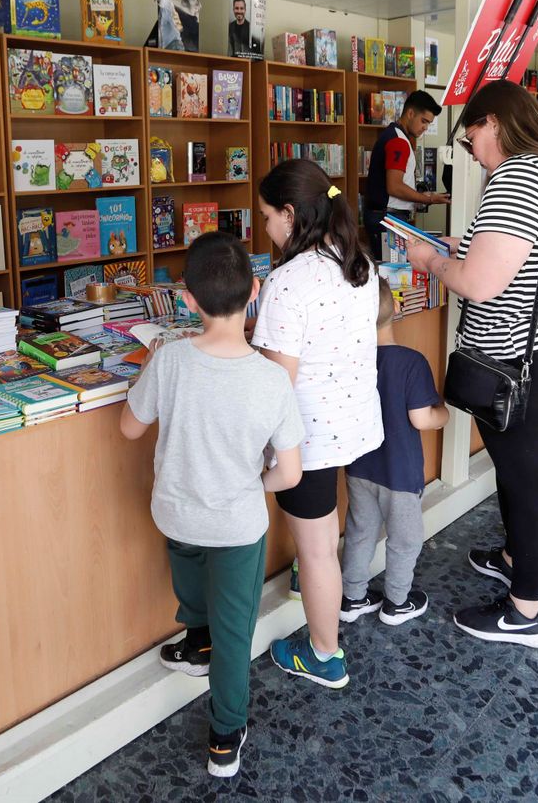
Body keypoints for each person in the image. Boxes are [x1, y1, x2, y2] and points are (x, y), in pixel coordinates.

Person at [407, 80, 538, 647]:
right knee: (525, 470)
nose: (470, 147)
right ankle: (512, 555)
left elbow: (480, 283)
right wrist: (470, 242)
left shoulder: (518, 173)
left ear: (494, 122)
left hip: (530, 361)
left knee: (528, 483)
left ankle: (526, 612)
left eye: (469, 132)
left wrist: (429, 258)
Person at [120, 231, 304, 778]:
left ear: (187, 299)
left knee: (188, 569)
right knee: (234, 628)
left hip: (174, 511)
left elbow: (130, 429)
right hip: (236, 523)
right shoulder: (272, 380)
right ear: (255, 292)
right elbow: (288, 471)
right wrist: (253, 482)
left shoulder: (170, 359)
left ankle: (194, 641)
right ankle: (225, 735)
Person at [251, 160, 382, 686]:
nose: (262, 227)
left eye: (265, 216)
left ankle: (324, 653)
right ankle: (324, 605)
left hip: (303, 437)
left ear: (289, 214)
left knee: (315, 549)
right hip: (346, 424)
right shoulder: (359, 263)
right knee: (324, 535)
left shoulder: (289, 280)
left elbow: (276, 381)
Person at [340, 281, 449, 626]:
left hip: (359, 467)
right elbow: (421, 417)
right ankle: (397, 602)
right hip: (400, 473)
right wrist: (443, 413)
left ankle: (353, 597)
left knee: (359, 533)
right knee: (404, 540)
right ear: (398, 310)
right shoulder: (410, 362)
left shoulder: (347, 359)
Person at [362, 89, 451, 244]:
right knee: (392, 267)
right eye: (423, 121)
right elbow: (394, 187)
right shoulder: (398, 141)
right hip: (388, 218)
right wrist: (428, 199)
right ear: (410, 114)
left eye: (428, 123)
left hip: (385, 216)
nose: (425, 128)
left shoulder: (394, 135)